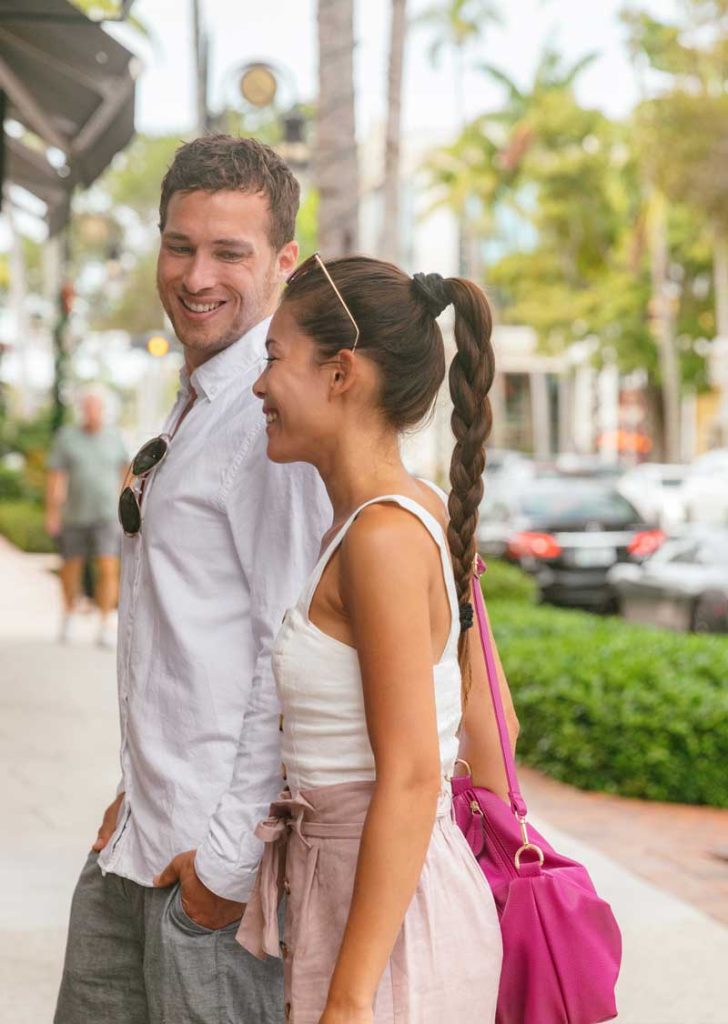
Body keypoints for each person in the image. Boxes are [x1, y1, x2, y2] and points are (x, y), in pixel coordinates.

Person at [54, 136, 331, 1024]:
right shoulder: (200, 399)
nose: (196, 274)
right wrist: (138, 786)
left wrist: (224, 867)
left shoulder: (269, 419)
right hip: (139, 845)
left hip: (212, 889)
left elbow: (289, 656)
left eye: (229, 252)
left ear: (284, 263)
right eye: (181, 245)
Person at [239, 254, 520, 1023]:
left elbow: (410, 778)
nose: (260, 386)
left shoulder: (382, 538)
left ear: (341, 374)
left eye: (273, 359)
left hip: (386, 930)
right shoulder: (412, 511)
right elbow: (496, 731)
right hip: (388, 901)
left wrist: (350, 1000)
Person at [45, 387, 128, 647]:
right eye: (87, 407)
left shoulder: (115, 437)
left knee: (107, 568)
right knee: (71, 568)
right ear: (82, 410)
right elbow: (56, 477)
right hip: (74, 515)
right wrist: (52, 513)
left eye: (96, 407)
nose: (92, 412)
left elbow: (127, 474)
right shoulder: (67, 437)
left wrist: (128, 509)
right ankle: (69, 613)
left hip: (107, 515)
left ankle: (105, 622)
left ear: (103, 410)